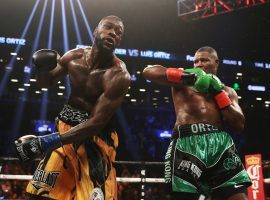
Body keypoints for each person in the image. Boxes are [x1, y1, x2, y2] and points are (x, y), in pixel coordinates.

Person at [14, 15, 130, 200]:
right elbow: (46, 82)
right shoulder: (74, 56)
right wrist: (42, 68)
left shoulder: (118, 75)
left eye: (118, 33)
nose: (113, 33)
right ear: (96, 31)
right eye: (108, 27)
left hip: (95, 140)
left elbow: (97, 122)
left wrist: (47, 142)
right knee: (39, 194)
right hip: (64, 129)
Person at [143, 46, 251, 200]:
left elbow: (239, 123)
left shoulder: (228, 91)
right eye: (196, 61)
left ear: (216, 62)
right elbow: (148, 72)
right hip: (187, 144)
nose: (199, 64)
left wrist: (218, 92)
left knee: (238, 197)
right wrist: (185, 77)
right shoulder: (182, 82)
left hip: (220, 146)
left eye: (204, 60)